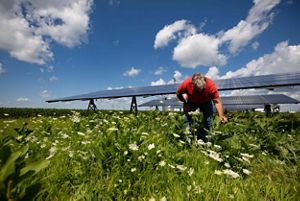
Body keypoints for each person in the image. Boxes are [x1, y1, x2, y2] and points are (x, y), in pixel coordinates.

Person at [176, 73, 228, 141]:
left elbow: (217, 101)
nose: (200, 92)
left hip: (206, 102)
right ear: (193, 84)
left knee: (209, 119)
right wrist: (185, 103)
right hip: (191, 101)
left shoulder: (211, 85)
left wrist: (221, 115)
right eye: (197, 90)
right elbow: (178, 93)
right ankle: (186, 138)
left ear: (205, 83)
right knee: (187, 118)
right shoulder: (186, 83)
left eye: (202, 89)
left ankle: (208, 139)